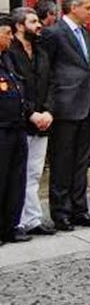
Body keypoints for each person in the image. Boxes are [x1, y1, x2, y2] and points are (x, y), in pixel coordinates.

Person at [42, 0, 90, 231]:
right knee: (62, 162)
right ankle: (61, 212)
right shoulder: (54, 33)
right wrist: (49, 105)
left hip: (85, 105)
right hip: (64, 106)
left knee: (80, 163)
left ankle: (79, 209)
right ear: (73, 7)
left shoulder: (84, 33)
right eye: (88, 8)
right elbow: (46, 70)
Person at [8, 7, 55, 236]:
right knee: (16, 174)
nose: (39, 25)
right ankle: (14, 221)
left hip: (42, 122)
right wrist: (31, 113)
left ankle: (33, 219)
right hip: (20, 122)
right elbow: (14, 88)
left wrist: (48, 111)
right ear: (19, 26)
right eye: (33, 21)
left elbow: (51, 84)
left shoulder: (41, 52)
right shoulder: (9, 53)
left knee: (34, 173)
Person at [0, 14, 32, 244]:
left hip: (17, 126)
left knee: (16, 180)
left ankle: (9, 227)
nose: (11, 38)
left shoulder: (8, 58)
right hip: (2, 128)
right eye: (7, 33)